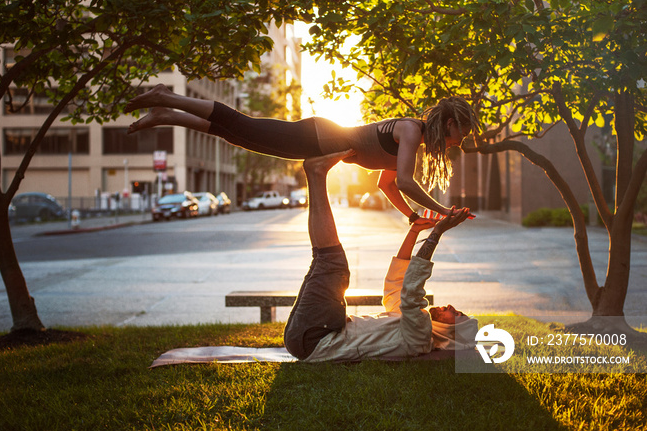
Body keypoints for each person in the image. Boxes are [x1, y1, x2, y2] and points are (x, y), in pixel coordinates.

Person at [124, 84, 479, 221]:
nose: (463, 139)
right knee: (242, 125)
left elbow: (387, 186)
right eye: (463, 131)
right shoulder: (410, 130)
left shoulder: (412, 143)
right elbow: (404, 181)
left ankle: (168, 116)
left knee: (238, 137)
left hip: (316, 142)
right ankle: (166, 97)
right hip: (318, 135)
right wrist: (443, 210)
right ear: (449, 124)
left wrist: (412, 217)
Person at [282, 149, 478, 362]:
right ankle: (314, 173)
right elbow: (396, 283)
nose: (451, 307)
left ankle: (316, 173)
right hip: (307, 336)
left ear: (453, 333)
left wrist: (437, 233)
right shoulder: (409, 323)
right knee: (324, 257)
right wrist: (414, 231)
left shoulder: (420, 337)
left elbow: (412, 292)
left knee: (332, 262)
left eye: (457, 314)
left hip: (318, 339)